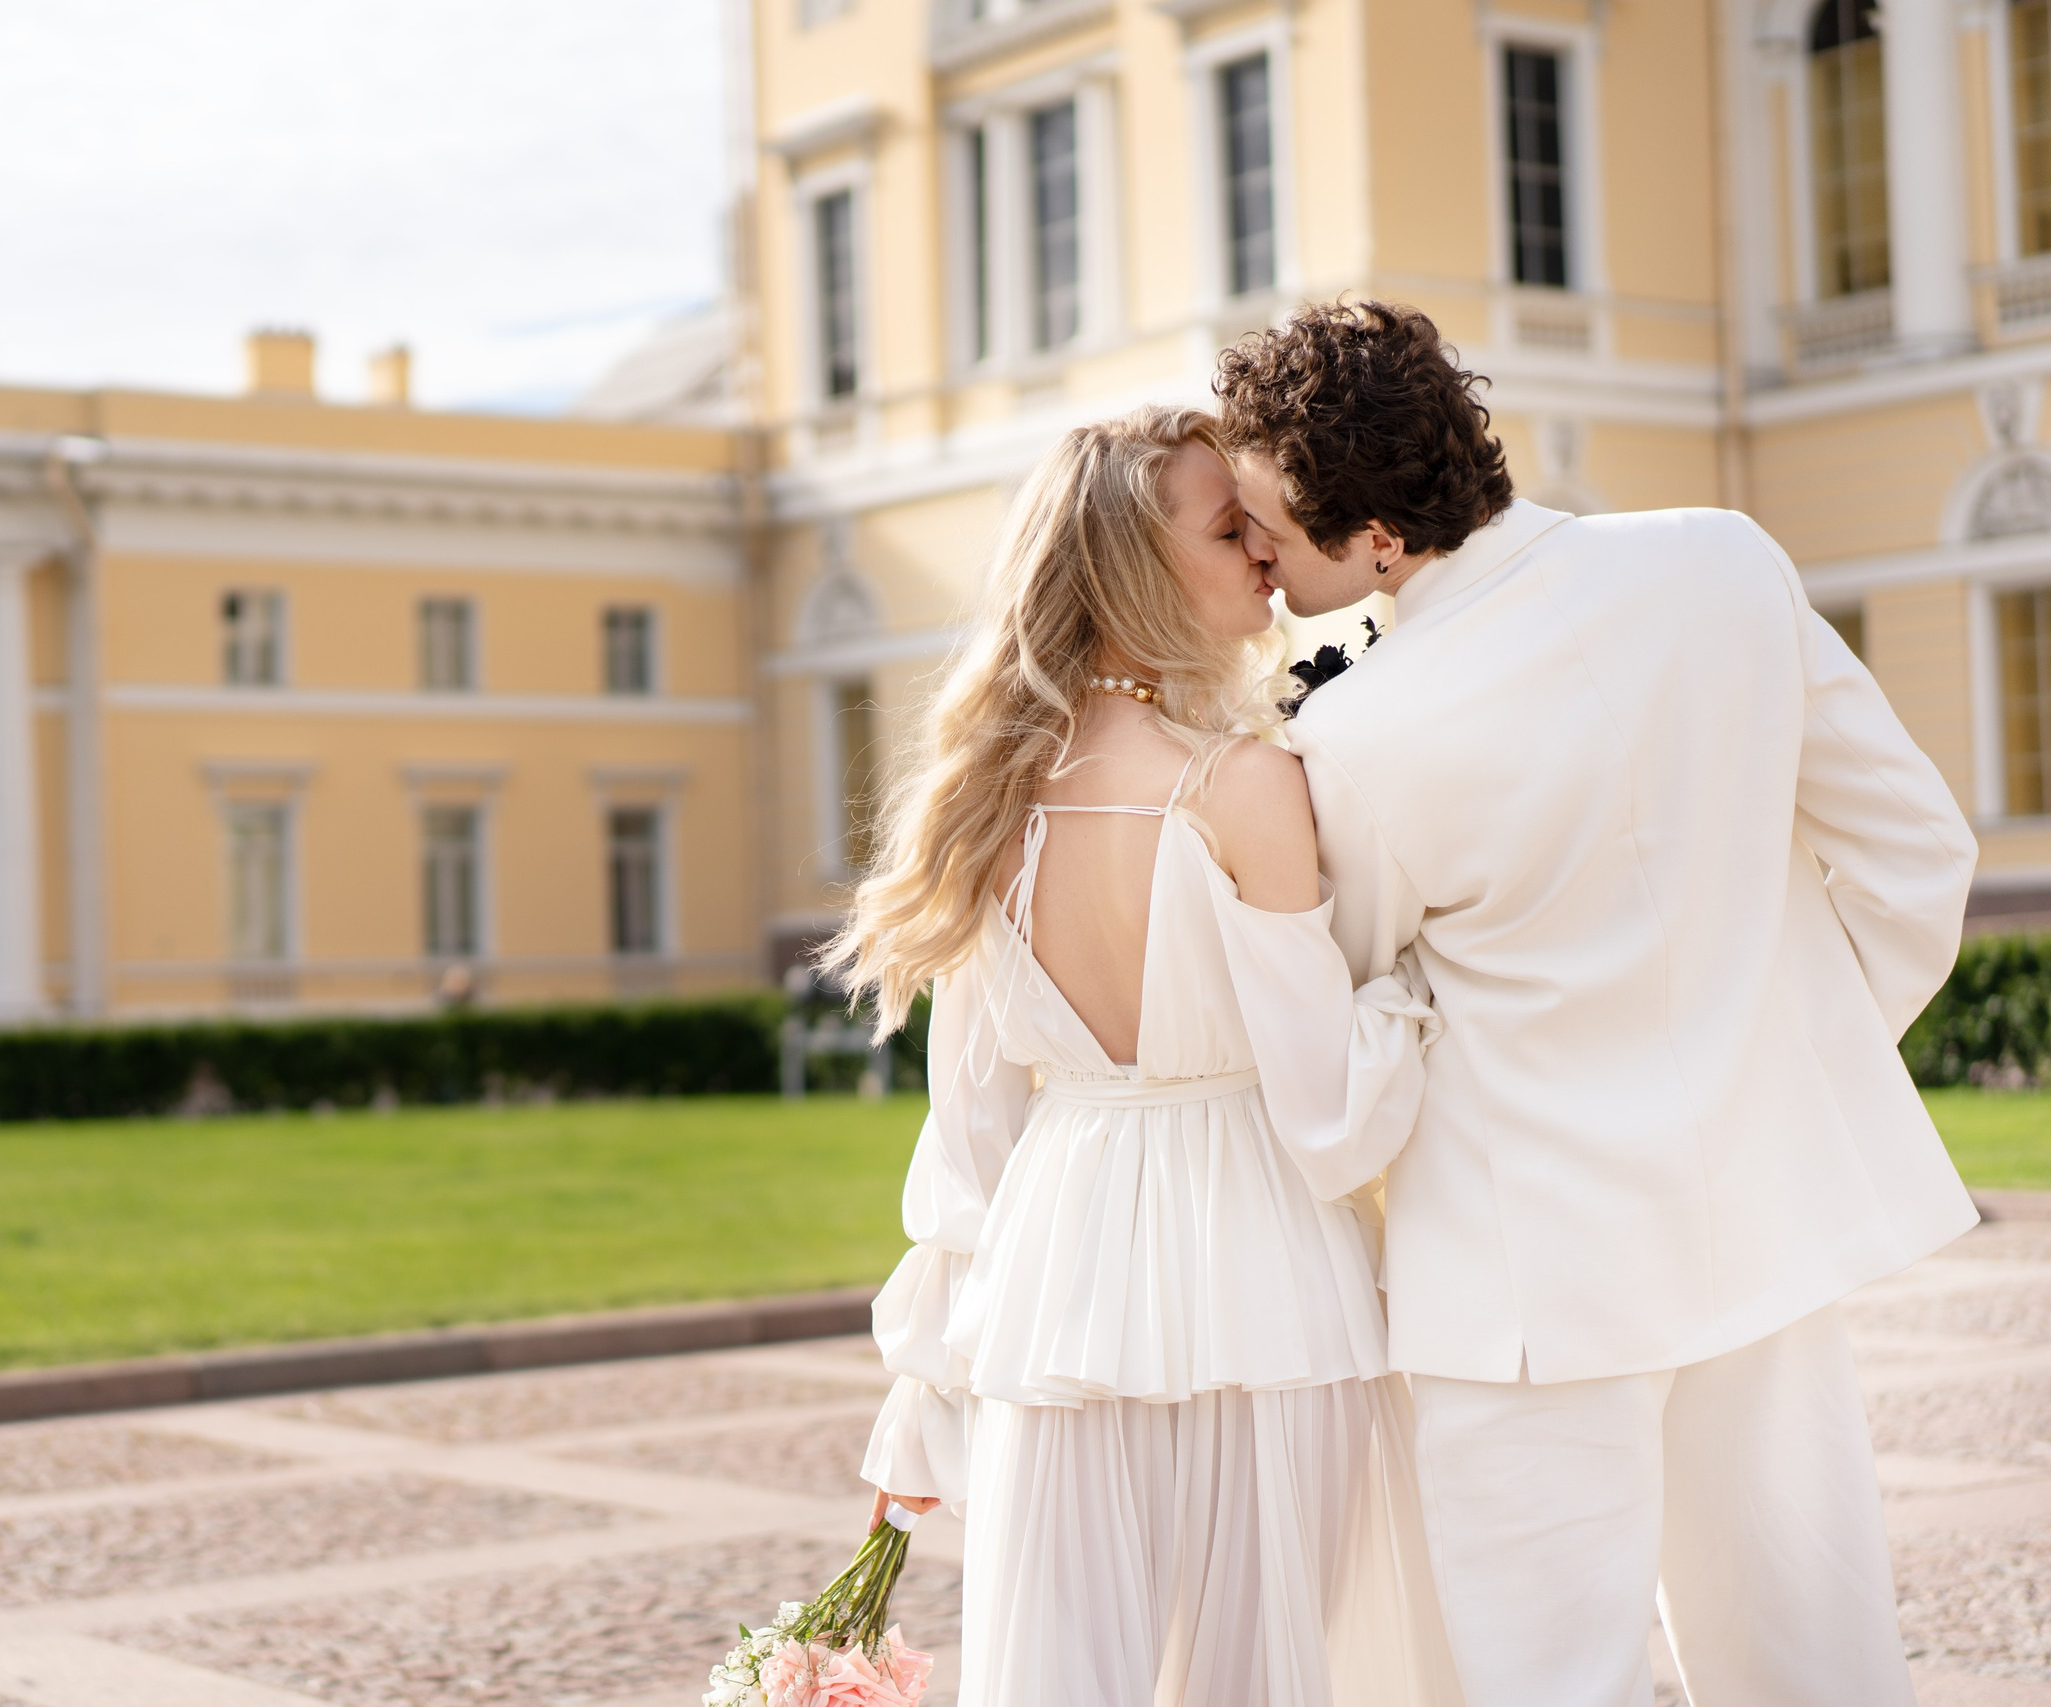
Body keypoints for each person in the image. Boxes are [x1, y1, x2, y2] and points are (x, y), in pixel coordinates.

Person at [1213, 300, 1978, 1707]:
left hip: (1521, 1295)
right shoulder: (1720, 561)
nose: (1251, 551)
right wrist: (1768, 1064)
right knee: (1815, 1659)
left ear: (1377, 537)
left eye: (1266, 523)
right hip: (1759, 1226)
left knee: (1549, 1680)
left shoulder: (1358, 737)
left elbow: (1368, 998)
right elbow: (1921, 856)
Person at [826, 404, 1462, 1706]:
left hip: (1053, 1265)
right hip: (1262, 1266)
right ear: (1135, 567)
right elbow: (1331, 1120)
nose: (1267, 555)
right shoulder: (1245, 785)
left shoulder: (986, 807)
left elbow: (968, 1144)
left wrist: (922, 1389)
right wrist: (1414, 994)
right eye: (1232, 530)